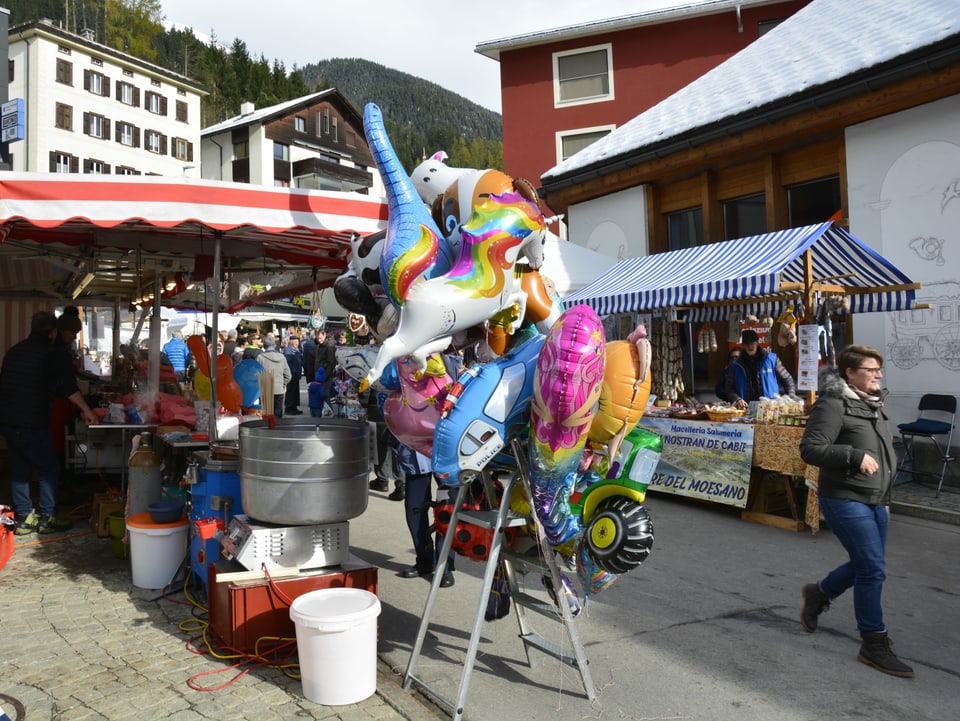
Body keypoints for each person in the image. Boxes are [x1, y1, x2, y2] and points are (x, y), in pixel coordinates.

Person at [798, 345, 912, 678]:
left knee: (866, 562)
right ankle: (873, 642)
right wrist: (853, 456)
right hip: (845, 497)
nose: (878, 374)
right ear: (850, 373)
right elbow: (810, 448)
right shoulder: (833, 404)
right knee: (873, 567)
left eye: (879, 369)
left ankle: (820, 592)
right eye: (870, 369)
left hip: (876, 498)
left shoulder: (871, 402)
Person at [0, 311, 99, 536]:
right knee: (49, 469)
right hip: (32, 422)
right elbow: (67, 386)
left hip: (8, 421)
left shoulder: (14, 351)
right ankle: (48, 517)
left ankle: (24, 519)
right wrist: (86, 410)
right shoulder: (49, 353)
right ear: (52, 332)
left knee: (20, 470)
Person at [396, 442, 455, 587]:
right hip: (414, 451)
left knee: (447, 510)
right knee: (415, 509)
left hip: (445, 449)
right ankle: (424, 560)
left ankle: (444, 566)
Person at [725, 329, 795, 409]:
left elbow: (787, 379)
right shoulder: (735, 364)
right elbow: (729, 388)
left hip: (770, 408)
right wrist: (737, 399)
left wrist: (790, 399)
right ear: (742, 346)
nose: (750, 346)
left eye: (752, 343)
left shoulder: (771, 359)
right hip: (746, 408)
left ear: (757, 343)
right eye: (747, 344)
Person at [256, 332, 291, 417]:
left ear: (264, 346)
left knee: (267, 415)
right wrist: (282, 384)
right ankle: (277, 429)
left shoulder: (260, 358)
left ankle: (268, 429)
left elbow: (256, 375)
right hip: (279, 389)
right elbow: (288, 375)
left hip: (266, 389)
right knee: (278, 416)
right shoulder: (282, 357)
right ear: (274, 345)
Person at [314, 328, 337, 405]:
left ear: (324, 335)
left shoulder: (329, 346)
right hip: (319, 374)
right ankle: (324, 411)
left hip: (326, 375)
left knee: (326, 394)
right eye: (317, 338)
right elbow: (317, 361)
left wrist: (325, 376)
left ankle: (329, 412)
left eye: (320, 338)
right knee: (321, 393)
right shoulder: (318, 346)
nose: (319, 340)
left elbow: (331, 363)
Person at [282, 335, 303, 414]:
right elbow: (288, 363)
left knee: (295, 392)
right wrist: (293, 371)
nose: (297, 343)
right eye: (296, 342)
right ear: (291, 342)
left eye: (298, 341)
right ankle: (289, 408)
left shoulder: (297, 349)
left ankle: (294, 407)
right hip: (291, 375)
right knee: (290, 392)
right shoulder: (288, 350)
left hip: (296, 375)